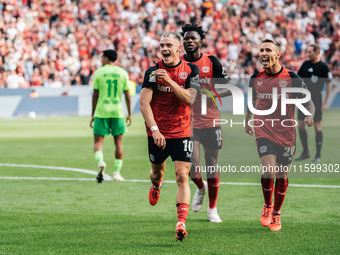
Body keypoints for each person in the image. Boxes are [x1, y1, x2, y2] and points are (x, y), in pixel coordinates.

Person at [245, 39, 315, 231]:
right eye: (261, 50)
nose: (263, 53)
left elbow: (309, 101)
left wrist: (310, 114)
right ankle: (267, 206)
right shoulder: (256, 78)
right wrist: (247, 120)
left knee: (282, 174)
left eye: (268, 50)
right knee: (269, 170)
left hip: (286, 132)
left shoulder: (291, 77)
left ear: (278, 55)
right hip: (263, 128)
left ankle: (277, 213)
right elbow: (252, 100)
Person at [140, 32, 199, 242]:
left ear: (179, 49)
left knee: (182, 175)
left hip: (183, 131)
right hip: (157, 133)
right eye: (162, 45)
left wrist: (171, 82)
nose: (164, 49)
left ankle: (181, 223)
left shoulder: (191, 70)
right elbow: (144, 103)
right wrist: (154, 129)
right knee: (157, 173)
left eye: (169, 45)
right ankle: (156, 185)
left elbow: (190, 99)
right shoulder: (153, 71)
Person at [180, 23, 231, 223]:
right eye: (186, 38)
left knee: (211, 164)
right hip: (188, 120)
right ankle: (201, 188)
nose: (189, 41)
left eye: (193, 38)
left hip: (210, 119)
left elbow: (228, 88)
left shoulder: (212, 62)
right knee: (192, 166)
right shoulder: (179, 63)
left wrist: (208, 93)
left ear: (201, 42)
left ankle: (212, 209)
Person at [90, 49, 132, 183]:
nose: (100, 59)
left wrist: (92, 114)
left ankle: (101, 162)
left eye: (102, 57)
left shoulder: (98, 73)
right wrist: (129, 114)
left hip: (101, 111)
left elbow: (95, 95)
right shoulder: (122, 73)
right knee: (118, 143)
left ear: (107, 59)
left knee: (98, 142)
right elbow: (127, 95)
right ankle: (116, 173)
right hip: (117, 112)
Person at [295, 44, 333, 162]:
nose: (308, 54)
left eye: (310, 52)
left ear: (317, 52)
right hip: (303, 100)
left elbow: (329, 84)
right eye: (307, 52)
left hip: (316, 100)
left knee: (317, 125)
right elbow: (297, 80)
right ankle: (305, 152)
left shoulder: (323, 67)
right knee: (301, 126)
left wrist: (325, 102)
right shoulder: (305, 65)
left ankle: (318, 155)